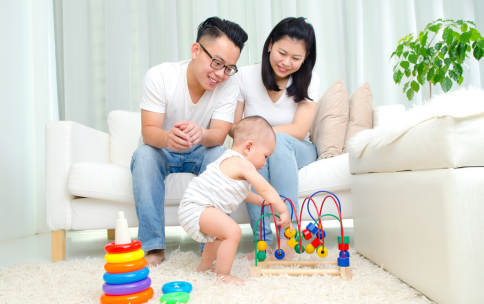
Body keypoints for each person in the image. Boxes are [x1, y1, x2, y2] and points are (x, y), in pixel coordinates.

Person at [131, 17, 248, 267]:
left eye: (229, 67)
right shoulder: (160, 76)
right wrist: (167, 137)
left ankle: (213, 242)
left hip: (201, 151)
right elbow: (149, 131)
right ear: (196, 50)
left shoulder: (230, 85)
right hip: (162, 151)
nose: (220, 74)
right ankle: (152, 247)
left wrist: (201, 134)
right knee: (143, 156)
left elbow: (218, 134)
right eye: (216, 62)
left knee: (220, 155)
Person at [230, 17, 319, 260]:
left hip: (298, 149)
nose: (286, 62)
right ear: (270, 44)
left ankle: (286, 238)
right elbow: (234, 127)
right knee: (250, 157)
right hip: (258, 149)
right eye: (282, 52)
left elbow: (300, 130)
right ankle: (263, 244)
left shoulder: (310, 80)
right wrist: (257, 144)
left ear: (306, 57)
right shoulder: (245, 76)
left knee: (276, 146)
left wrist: (262, 138)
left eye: (296, 58)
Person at [178, 116, 292, 285]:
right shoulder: (242, 164)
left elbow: (242, 193)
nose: (264, 163)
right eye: (265, 156)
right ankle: (223, 275)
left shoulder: (230, 161)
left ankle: (204, 267)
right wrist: (282, 210)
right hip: (197, 208)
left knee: (219, 236)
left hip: (193, 208)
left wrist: (262, 201)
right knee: (233, 231)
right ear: (248, 147)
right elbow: (265, 188)